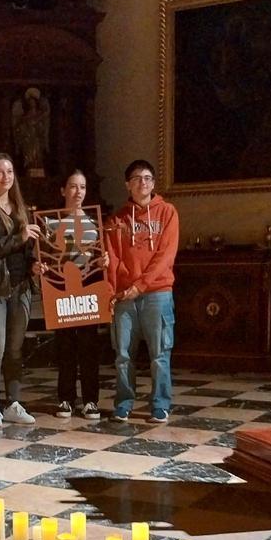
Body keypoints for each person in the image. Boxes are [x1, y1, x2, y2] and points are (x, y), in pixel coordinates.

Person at [107, 159, 179, 423]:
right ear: (128, 184)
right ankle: (123, 402)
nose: (143, 183)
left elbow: (165, 256)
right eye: (137, 178)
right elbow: (112, 258)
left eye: (148, 178)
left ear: (153, 184)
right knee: (123, 355)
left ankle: (160, 404)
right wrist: (113, 293)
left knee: (159, 354)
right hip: (125, 296)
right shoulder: (117, 219)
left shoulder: (168, 212)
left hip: (157, 293)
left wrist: (141, 285)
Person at [0, 153, 38, 428]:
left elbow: (28, 251)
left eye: (10, 172)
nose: (6, 177)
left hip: (20, 286)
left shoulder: (21, 208)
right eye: (0, 172)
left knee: (15, 349)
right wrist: (19, 238)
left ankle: (13, 402)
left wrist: (35, 267)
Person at [45, 170, 102, 420]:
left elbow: (99, 258)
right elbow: (45, 257)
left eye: (82, 187)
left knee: (89, 347)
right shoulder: (51, 223)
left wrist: (105, 260)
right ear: (63, 190)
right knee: (65, 347)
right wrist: (41, 266)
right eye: (73, 186)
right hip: (61, 292)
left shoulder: (95, 224)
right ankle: (66, 399)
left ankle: (91, 400)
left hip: (88, 292)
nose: (78, 192)